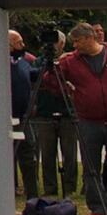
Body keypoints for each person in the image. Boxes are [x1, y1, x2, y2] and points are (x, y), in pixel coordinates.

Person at [49, 23, 107, 215]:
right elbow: (52, 81)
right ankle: (97, 206)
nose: (75, 45)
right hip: (89, 120)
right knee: (91, 165)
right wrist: (63, 83)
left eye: (78, 40)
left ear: (90, 38)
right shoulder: (72, 61)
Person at [27, 32, 80, 200]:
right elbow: (35, 79)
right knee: (47, 153)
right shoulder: (39, 62)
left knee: (69, 152)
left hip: (67, 112)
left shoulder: (70, 61)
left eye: (56, 42)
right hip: (45, 112)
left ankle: (69, 187)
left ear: (63, 44)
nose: (53, 46)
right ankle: (50, 188)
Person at [7, 30, 40, 197]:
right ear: (9, 45)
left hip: (23, 118)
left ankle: (32, 194)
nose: (23, 46)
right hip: (4, 119)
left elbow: (32, 75)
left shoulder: (23, 62)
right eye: (19, 43)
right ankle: (7, 190)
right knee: (6, 157)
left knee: (28, 156)